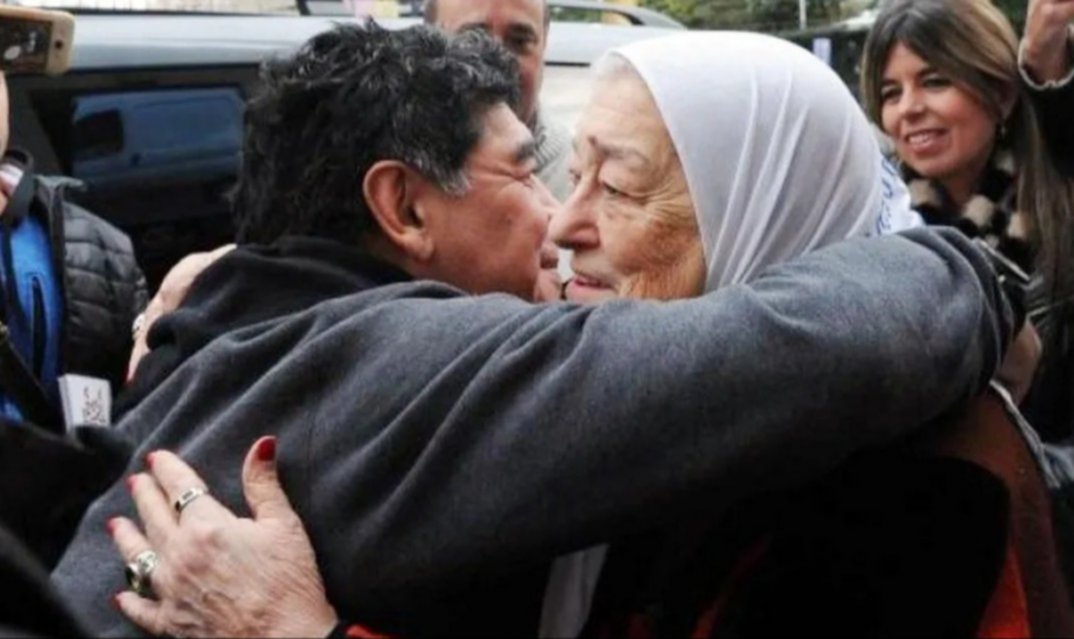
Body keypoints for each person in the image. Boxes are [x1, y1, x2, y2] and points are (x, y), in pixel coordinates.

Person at [61, 24, 1014, 638]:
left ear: (756, 204)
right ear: (400, 207)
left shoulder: (915, 499)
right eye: (545, 173)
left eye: (623, 184)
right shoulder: (418, 368)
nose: (563, 221)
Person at [859, 0, 1074, 437]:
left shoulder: (1059, 203)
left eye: (934, 82)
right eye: (890, 93)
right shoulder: (874, 225)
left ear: (1002, 93)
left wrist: (1044, 62)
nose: (909, 109)